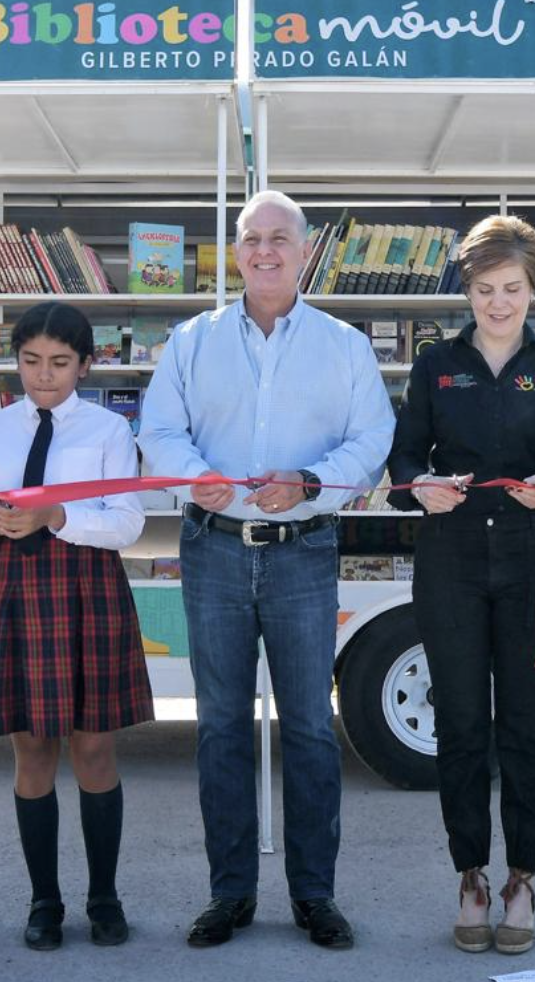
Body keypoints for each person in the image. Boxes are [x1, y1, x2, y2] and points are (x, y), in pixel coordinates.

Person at [138, 190, 394, 950]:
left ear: (306, 251)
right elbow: (159, 430)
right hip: (212, 548)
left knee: (312, 728)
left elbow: (372, 438)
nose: (266, 252)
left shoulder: (344, 346)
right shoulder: (192, 340)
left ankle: (315, 895)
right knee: (220, 729)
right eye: (252, 239)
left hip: (303, 554)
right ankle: (231, 894)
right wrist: (193, 478)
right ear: (235, 251)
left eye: (281, 239)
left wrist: (312, 481)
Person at [386, 214, 535, 955]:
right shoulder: (435, 365)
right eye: (484, 289)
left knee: (527, 730)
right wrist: (420, 488)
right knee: (464, 727)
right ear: (466, 289)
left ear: (532, 289)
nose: (498, 303)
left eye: (511, 289)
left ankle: (523, 877)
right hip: (450, 565)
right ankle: (471, 875)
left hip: (532, 565)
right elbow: (403, 459)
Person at [0, 302, 154, 951]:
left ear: (86, 365)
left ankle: (104, 896)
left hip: (89, 588)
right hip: (18, 589)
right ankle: (44, 901)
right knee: (32, 749)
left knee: (93, 747)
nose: (44, 376)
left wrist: (57, 518)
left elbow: (128, 523)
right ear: (16, 362)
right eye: (31, 361)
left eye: (60, 363)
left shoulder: (108, 430)